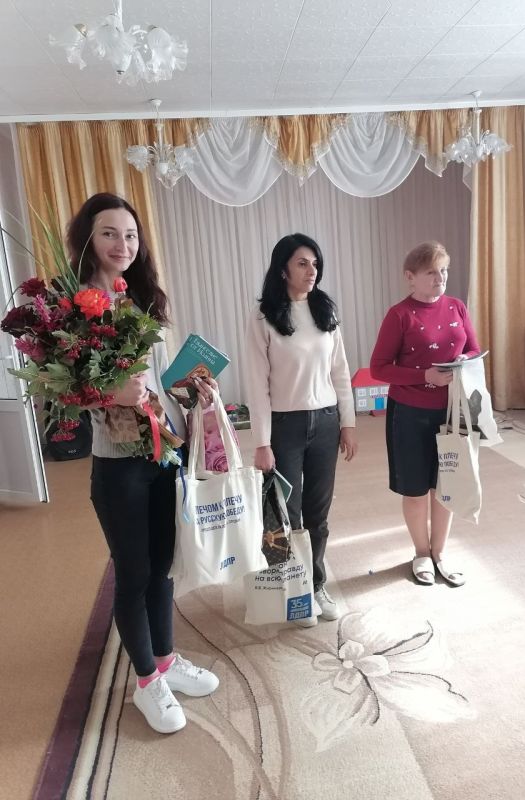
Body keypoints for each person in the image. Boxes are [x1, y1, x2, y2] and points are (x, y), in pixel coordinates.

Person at [67, 193, 219, 734]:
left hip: (163, 452)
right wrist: (111, 393)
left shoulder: (140, 298)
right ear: (89, 239)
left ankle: (166, 661)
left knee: (162, 567)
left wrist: (191, 388)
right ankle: (146, 683)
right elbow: (63, 391)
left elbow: (156, 380)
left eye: (130, 235)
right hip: (118, 465)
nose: (123, 245)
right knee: (132, 574)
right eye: (110, 233)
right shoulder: (72, 307)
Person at [246, 233, 358, 627]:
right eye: (302, 263)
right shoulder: (263, 318)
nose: (312, 271)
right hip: (285, 426)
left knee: (318, 513)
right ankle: (294, 591)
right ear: (283, 269)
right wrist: (261, 442)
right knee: (287, 513)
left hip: (325, 421)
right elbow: (256, 384)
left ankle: (316, 584)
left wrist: (348, 423)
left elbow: (340, 371)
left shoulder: (325, 311)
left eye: (315, 263)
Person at [370, 241, 480, 587]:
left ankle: (440, 552)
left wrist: (464, 359)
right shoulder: (399, 315)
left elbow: (474, 348)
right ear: (410, 276)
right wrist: (425, 376)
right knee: (416, 489)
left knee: (445, 486)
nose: (440, 277)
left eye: (443, 270)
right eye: (431, 272)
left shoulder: (457, 307)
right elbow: (379, 368)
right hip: (409, 413)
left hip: (451, 413)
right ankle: (421, 552)